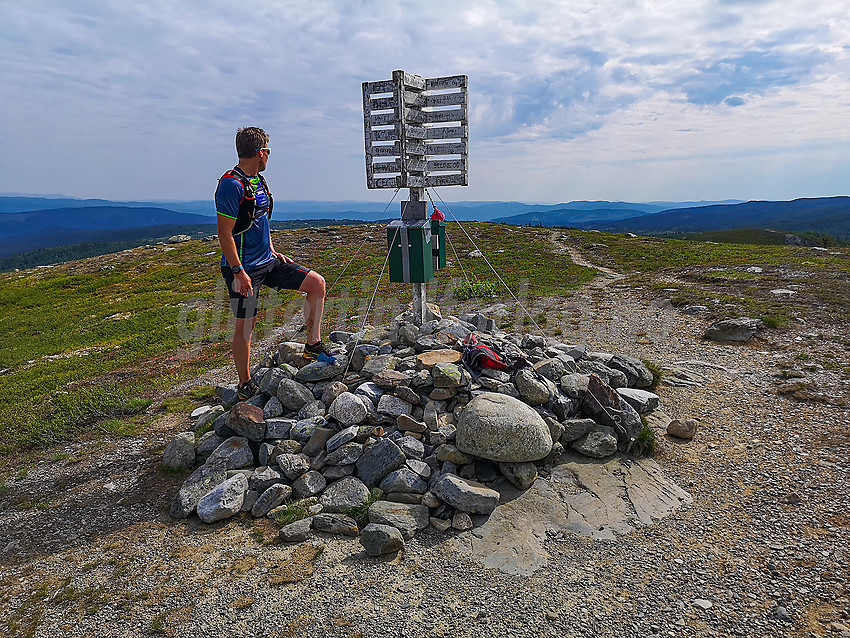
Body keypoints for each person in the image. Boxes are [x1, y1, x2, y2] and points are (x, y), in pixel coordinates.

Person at [216, 126, 330, 400]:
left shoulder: (258, 181)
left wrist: (272, 249)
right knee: (246, 325)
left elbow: (259, 222)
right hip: (243, 269)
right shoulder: (231, 185)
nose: (269, 156)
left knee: (316, 284)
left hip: (268, 260)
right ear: (260, 153)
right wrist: (238, 271)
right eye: (268, 151)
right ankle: (244, 383)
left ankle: (312, 344)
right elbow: (224, 233)